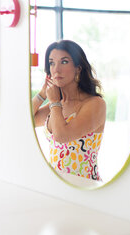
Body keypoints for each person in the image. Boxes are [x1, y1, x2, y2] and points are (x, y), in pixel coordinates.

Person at [32, 40, 106, 181]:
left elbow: (61, 137)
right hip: (57, 185)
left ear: (78, 68)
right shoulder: (57, 106)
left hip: (85, 187)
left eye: (64, 62)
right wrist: (42, 94)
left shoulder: (95, 104)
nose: (56, 69)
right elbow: (26, 121)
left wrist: (53, 101)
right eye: (52, 63)